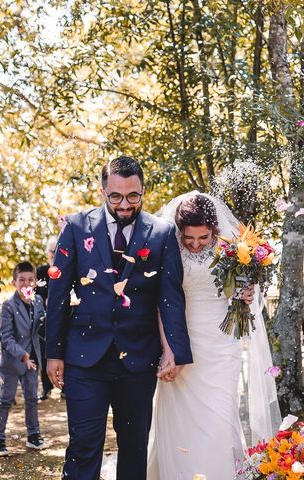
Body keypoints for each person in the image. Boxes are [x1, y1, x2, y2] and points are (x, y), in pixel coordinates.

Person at [46, 156, 192, 480]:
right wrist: (53, 352)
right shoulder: (75, 226)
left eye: (133, 196)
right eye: (116, 196)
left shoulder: (163, 233)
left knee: (135, 448)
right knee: (83, 446)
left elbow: (169, 297)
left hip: (138, 360)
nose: (124, 204)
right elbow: (57, 294)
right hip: (85, 358)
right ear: (102, 191)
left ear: (143, 191)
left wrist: (175, 350)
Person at [145, 193, 280, 480]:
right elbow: (161, 302)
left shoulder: (233, 249)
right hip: (180, 341)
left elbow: (239, 293)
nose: (194, 244)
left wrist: (245, 293)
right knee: (180, 421)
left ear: (214, 230)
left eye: (203, 238)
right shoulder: (169, 247)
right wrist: (168, 348)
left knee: (218, 417)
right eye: (188, 237)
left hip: (221, 345)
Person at [0, 262, 47, 456]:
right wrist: (22, 355)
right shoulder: (8, 305)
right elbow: (5, 337)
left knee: (32, 398)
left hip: (33, 360)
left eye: (30, 280)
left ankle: (34, 436)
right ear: (14, 282)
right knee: (7, 399)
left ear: (35, 282)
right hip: (13, 362)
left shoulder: (38, 301)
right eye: (21, 280)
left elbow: (41, 327)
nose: (26, 284)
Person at [35, 236, 57, 400]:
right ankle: (46, 388)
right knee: (44, 352)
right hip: (44, 317)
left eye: (56, 250)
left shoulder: (68, 268)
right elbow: (35, 294)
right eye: (51, 251)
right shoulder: (41, 271)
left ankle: (65, 388)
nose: (54, 254)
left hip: (65, 316)